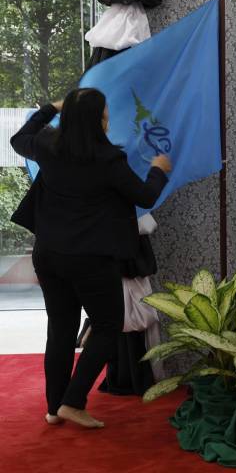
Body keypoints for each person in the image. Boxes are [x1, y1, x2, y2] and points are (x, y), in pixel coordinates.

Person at [9, 88, 171, 429]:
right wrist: (159, 169)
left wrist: (48, 108)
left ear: (66, 117)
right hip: (92, 260)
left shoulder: (47, 145)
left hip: (49, 254)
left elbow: (19, 137)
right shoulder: (108, 159)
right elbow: (145, 195)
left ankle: (54, 409)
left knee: (61, 330)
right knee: (108, 327)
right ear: (100, 121)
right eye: (106, 113)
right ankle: (72, 401)